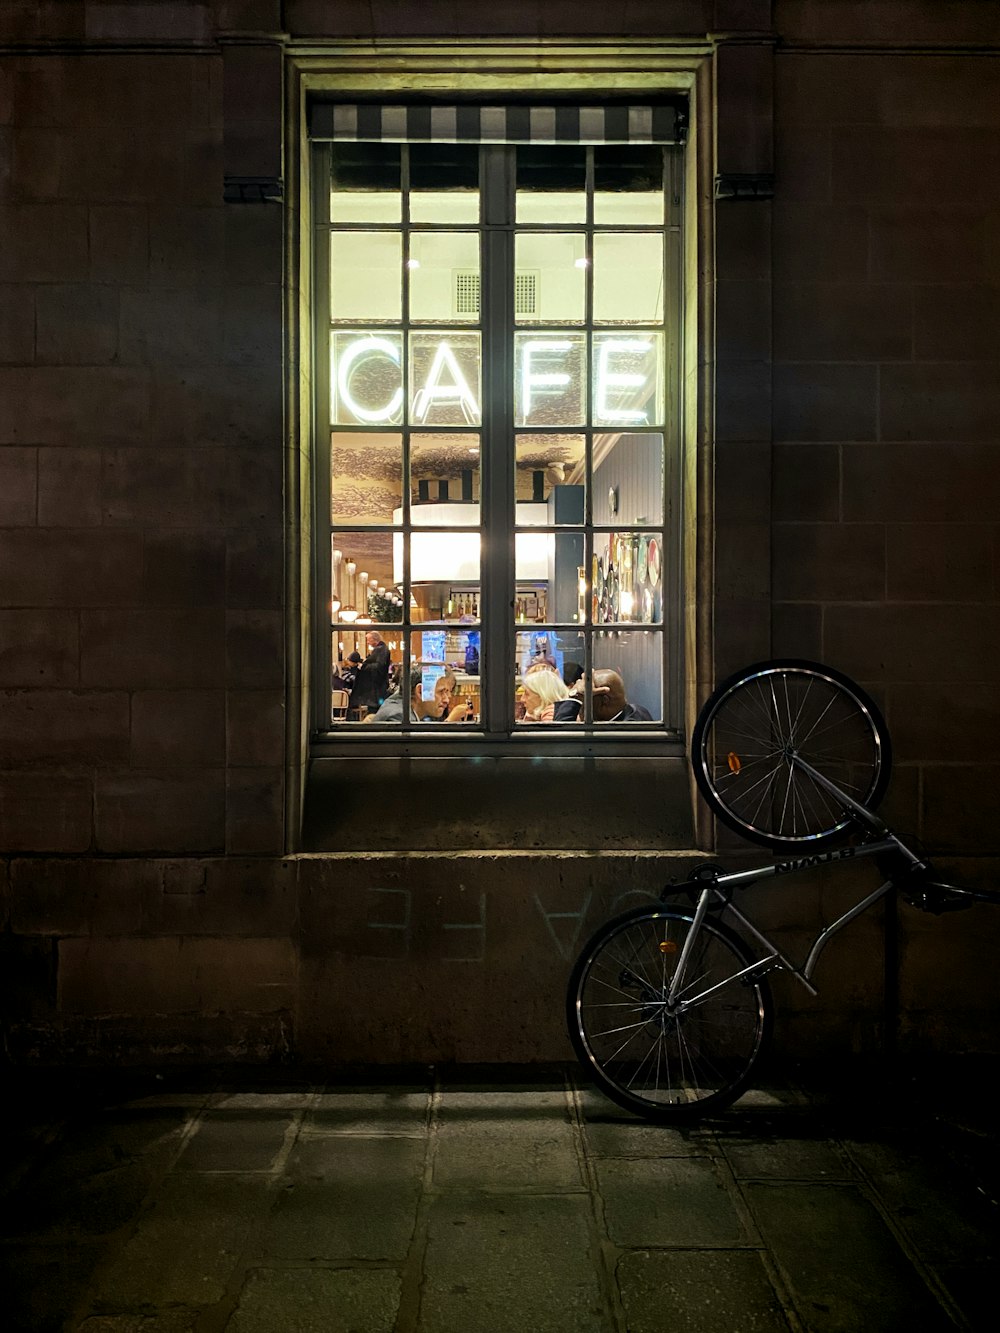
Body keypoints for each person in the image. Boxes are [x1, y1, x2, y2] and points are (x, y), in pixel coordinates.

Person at [366, 667, 469, 723]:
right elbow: (421, 757)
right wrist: (449, 722)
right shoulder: (399, 717)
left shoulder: (399, 705)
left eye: (448, 693)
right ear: (420, 691)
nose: (446, 700)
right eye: (441, 692)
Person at [349, 631, 390, 714]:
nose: (367, 643)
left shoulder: (381, 650)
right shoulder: (381, 649)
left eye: (368, 640)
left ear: (374, 639)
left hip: (376, 689)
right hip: (377, 688)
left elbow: (379, 667)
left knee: (374, 711)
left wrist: (364, 666)